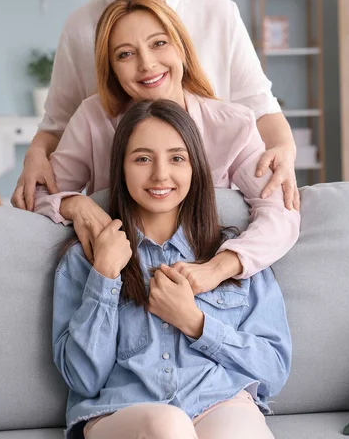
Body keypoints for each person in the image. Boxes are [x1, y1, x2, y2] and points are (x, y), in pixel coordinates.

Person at [12, 0, 298, 213]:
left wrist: (285, 148)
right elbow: (57, 124)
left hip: (209, 204)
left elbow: (259, 106)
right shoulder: (81, 28)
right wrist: (36, 154)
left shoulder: (217, 11)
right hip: (119, 211)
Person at [53, 99, 292, 439]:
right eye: (142, 158)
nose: (160, 174)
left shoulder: (234, 256)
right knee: (168, 425)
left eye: (177, 158)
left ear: (195, 167)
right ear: (120, 167)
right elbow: (83, 379)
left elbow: (274, 371)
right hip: (121, 412)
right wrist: (105, 275)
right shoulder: (84, 258)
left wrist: (196, 324)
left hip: (219, 401)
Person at [35, 0, 299, 292]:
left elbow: (280, 213)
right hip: (120, 286)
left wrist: (218, 268)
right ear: (111, 68)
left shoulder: (233, 125)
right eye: (125, 54)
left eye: (159, 43)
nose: (147, 64)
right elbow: (38, 194)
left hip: (206, 289)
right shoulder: (92, 119)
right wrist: (75, 204)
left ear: (182, 49)